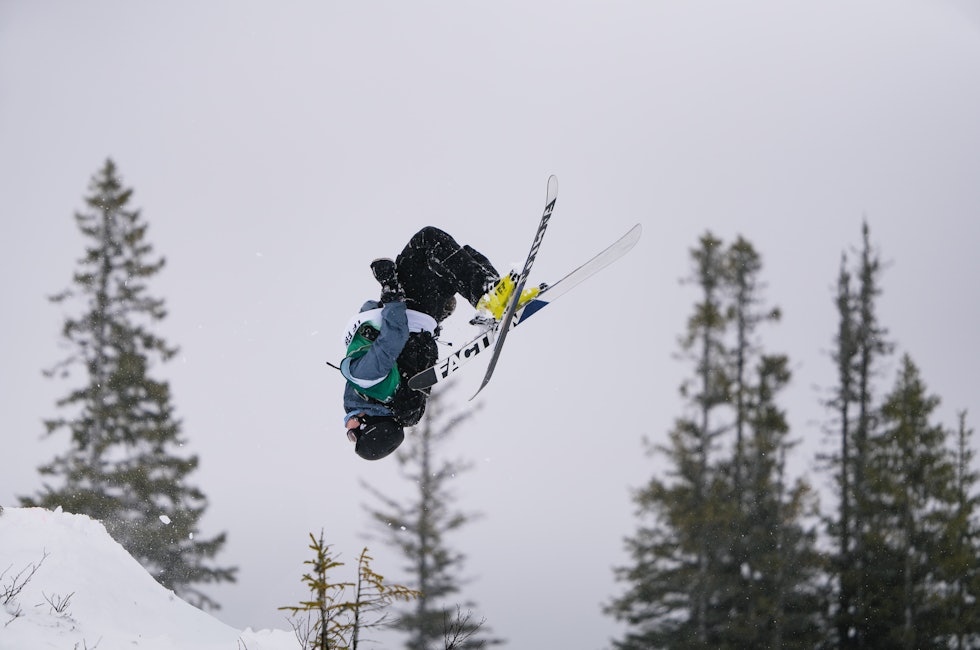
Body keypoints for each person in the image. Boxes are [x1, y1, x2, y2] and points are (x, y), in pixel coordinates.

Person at [340, 226, 539, 460]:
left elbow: (411, 362)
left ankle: (497, 296)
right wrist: (389, 287)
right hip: (410, 304)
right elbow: (394, 336)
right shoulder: (361, 377)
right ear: (367, 425)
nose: (346, 427)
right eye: (352, 434)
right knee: (429, 240)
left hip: (427, 315)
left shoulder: (396, 404)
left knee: (460, 260)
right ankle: (490, 298)